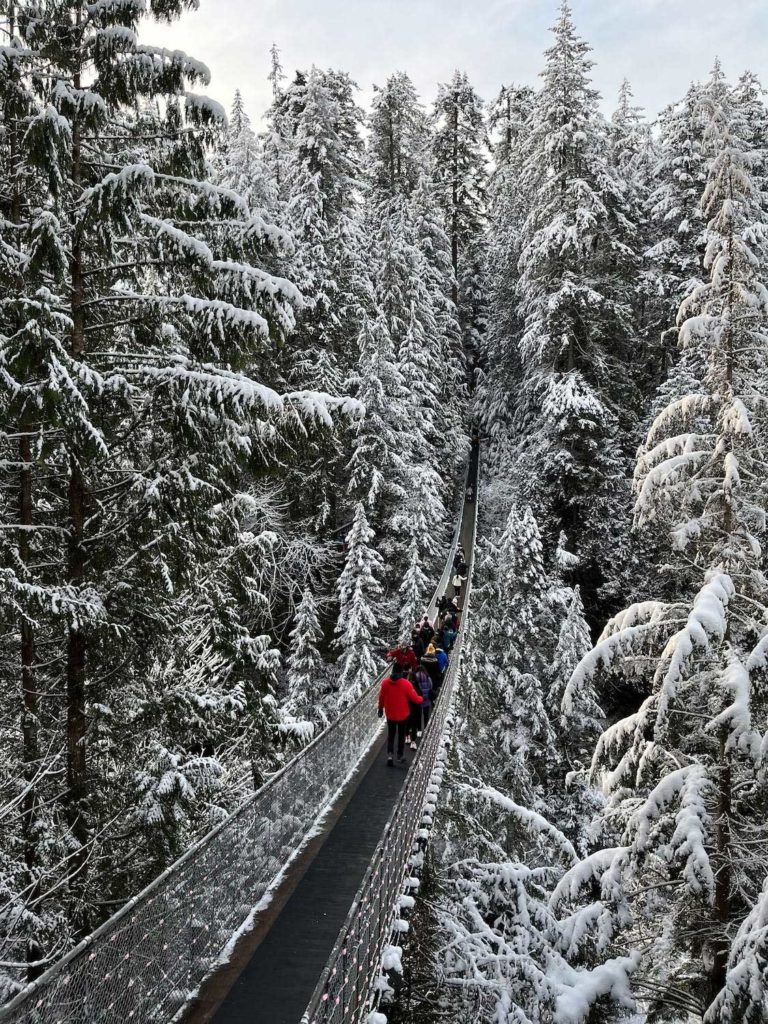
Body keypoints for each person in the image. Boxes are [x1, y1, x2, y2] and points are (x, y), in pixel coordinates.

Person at [378, 664, 423, 766]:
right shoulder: (406, 684)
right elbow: (414, 698)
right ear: (401, 672)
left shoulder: (385, 683)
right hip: (403, 714)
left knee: (391, 734)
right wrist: (422, 698)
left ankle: (390, 755)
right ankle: (399, 755)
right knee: (401, 735)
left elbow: (381, 697)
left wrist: (380, 708)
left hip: (390, 714)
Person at [408, 664, 433, 747]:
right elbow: (430, 686)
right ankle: (426, 729)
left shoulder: (416, 677)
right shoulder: (427, 676)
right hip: (427, 699)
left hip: (419, 699)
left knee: (418, 715)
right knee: (426, 715)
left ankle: (419, 730)